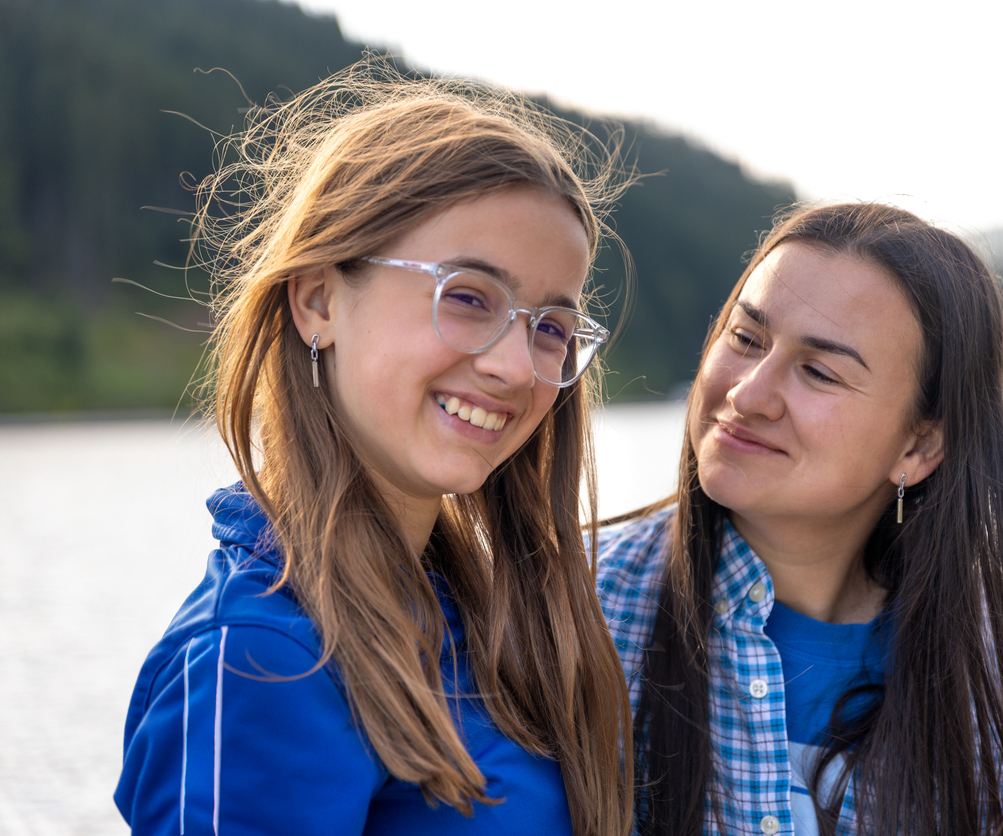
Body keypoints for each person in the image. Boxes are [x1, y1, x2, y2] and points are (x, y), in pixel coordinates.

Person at [115, 60, 632, 836]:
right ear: (320, 299)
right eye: (466, 297)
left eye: (550, 327)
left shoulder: (486, 619)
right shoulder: (260, 659)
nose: (517, 366)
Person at [596, 203, 1003, 836]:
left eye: (819, 371)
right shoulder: (574, 611)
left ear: (918, 448)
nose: (748, 393)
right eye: (746, 339)